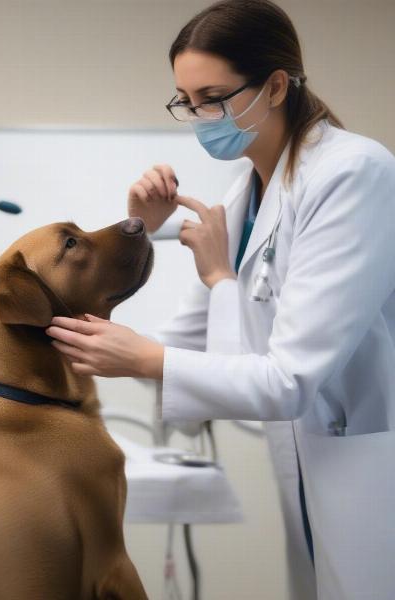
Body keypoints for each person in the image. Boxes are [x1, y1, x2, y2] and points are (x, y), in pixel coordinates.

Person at [45, 1, 395, 598]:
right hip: (308, 466)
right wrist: (135, 235)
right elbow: (182, 347)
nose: (201, 116)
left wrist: (219, 279)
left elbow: (284, 381)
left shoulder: (351, 173)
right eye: (187, 101)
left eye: (214, 97)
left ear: (277, 85)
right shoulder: (243, 196)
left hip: (365, 468)